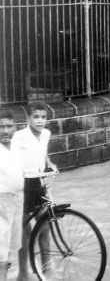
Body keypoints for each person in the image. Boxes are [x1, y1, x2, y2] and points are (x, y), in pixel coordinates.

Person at [13, 103, 57, 281]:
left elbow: (42, 152)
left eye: (43, 117)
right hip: (22, 183)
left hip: (39, 182)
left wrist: (49, 163)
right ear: (28, 119)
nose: (40, 121)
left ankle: (47, 269)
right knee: (25, 230)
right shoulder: (19, 136)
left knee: (45, 224)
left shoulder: (46, 134)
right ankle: (23, 273)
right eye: (36, 117)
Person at [0, 110, 22, 281]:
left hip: (17, 199)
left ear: (15, 127)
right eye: (1, 127)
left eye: (9, 126)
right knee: (1, 251)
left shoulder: (17, 146)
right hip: (1, 202)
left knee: (9, 248)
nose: (5, 131)